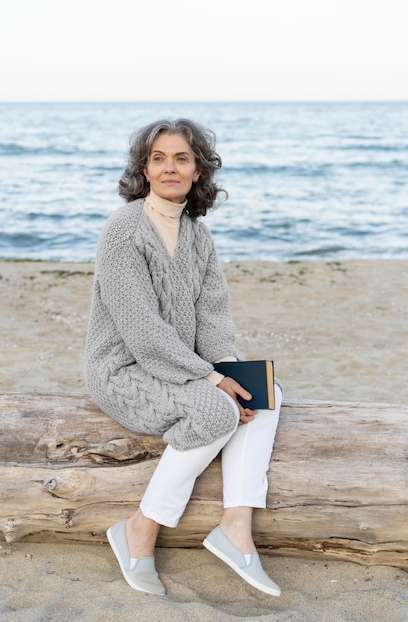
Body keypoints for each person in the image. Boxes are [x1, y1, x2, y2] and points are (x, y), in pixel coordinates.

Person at [84, 118, 282, 597]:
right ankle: (139, 528)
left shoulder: (198, 236)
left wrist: (229, 369)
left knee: (267, 391)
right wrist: (212, 380)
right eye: (158, 158)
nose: (169, 167)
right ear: (144, 170)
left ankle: (235, 525)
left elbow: (212, 318)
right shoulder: (123, 230)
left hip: (182, 366)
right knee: (217, 410)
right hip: (124, 369)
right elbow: (141, 330)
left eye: (181, 158)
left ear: (198, 172)